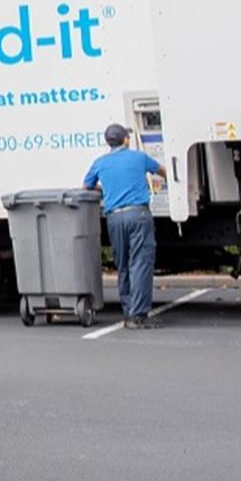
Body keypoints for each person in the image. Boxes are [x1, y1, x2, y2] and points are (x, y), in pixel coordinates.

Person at [84, 123, 167, 330]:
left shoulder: (100, 163)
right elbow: (162, 170)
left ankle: (128, 311)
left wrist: (105, 188)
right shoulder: (138, 157)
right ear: (126, 140)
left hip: (114, 218)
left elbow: (86, 186)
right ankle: (138, 315)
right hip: (138, 215)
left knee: (122, 265)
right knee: (140, 262)